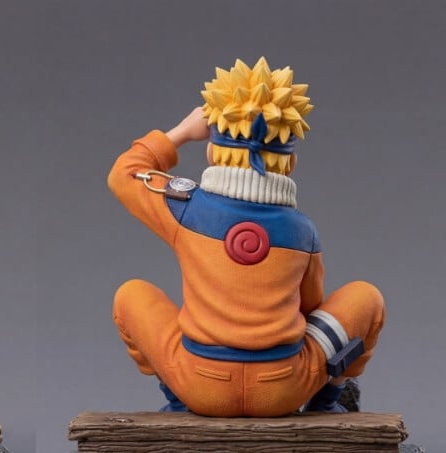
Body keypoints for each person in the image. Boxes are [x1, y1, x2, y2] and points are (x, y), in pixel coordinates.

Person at [108, 58, 384, 417]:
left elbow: (124, 174)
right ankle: (327, 401)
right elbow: (309, 307)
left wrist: (181, 132)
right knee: (367, 298)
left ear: (212, 151)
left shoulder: (184, 210)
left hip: (200, 384)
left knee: (131, 294)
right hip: (283, 389)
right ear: (290, 162)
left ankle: (177, 401)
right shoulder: (302, 232)